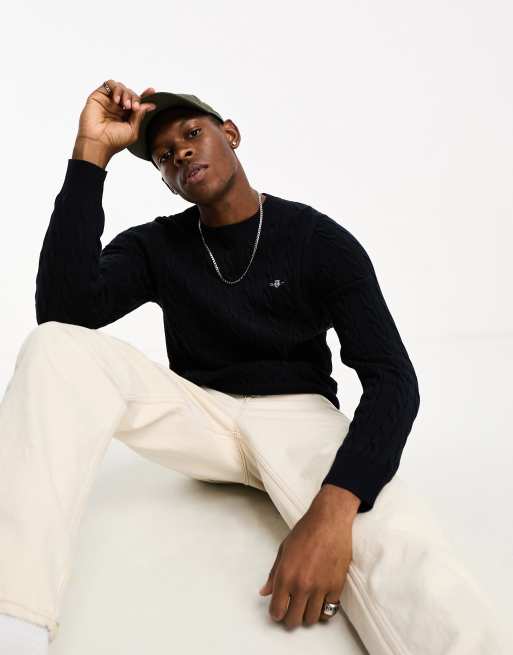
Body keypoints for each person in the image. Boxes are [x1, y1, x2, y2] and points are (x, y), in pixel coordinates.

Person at [0, 80, 508, 655]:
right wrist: (91, 153)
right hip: (198, 416)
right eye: (164, 155)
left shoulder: (318, 240)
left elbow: (393, 379)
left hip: (298, 419)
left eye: (193, 133)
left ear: (231, 135)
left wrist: (333, 508)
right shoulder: (157, 245)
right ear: (165, 180)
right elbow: (64, 315)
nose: (181, 152)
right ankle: (15, 623)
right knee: (54, 347)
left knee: (396, 542)